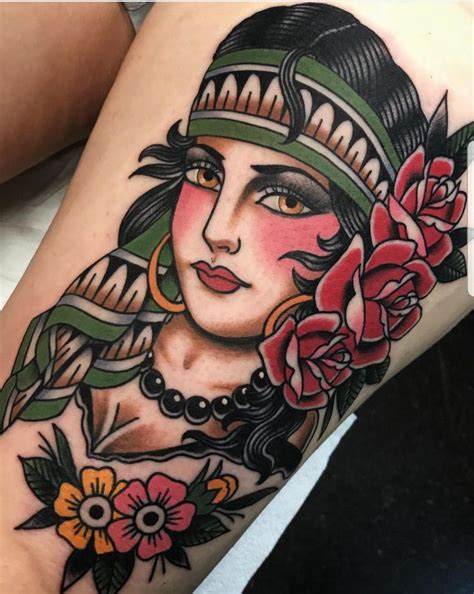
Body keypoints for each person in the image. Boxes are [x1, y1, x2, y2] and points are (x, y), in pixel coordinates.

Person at [0, 3, 471, 593]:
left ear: (365, 242)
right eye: (205, 174)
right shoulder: (85, 330)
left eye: (286, 199)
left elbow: (31, 561)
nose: (217, 229)